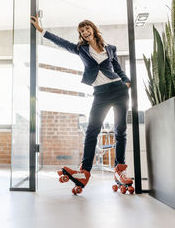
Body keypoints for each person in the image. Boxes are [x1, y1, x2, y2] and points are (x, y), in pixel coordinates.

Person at [31, 15, 133, 192]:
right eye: (81, 31)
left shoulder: (110, 48)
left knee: (120, 130)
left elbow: (117, 68)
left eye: (87, 28)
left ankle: (120, 169)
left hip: (119, 91)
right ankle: (85, 171)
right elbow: (61, 42)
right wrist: (42, 30)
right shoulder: (80, 49)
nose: (85, 32)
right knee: (92, 131)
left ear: (93, 29)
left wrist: (126, 81)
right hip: (100, 93)